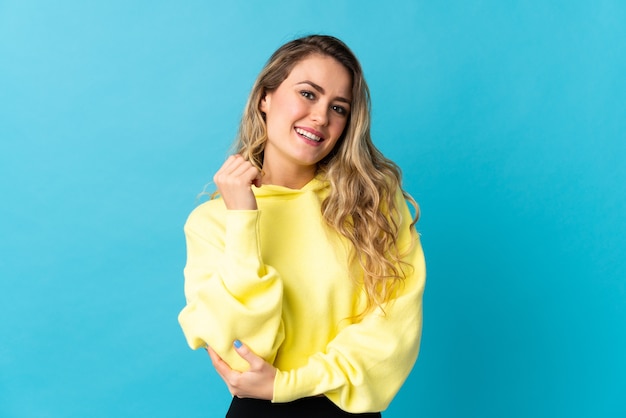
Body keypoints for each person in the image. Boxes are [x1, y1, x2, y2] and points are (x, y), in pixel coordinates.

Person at [178, 34, 426, 418]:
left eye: (339, 107)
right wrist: (243, 219)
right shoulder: (212, 222)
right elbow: (242, 360)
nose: (321, 116)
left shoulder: (373, 203)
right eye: (308, 94)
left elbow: (394, 333)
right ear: (266, 97)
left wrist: (290, 384)